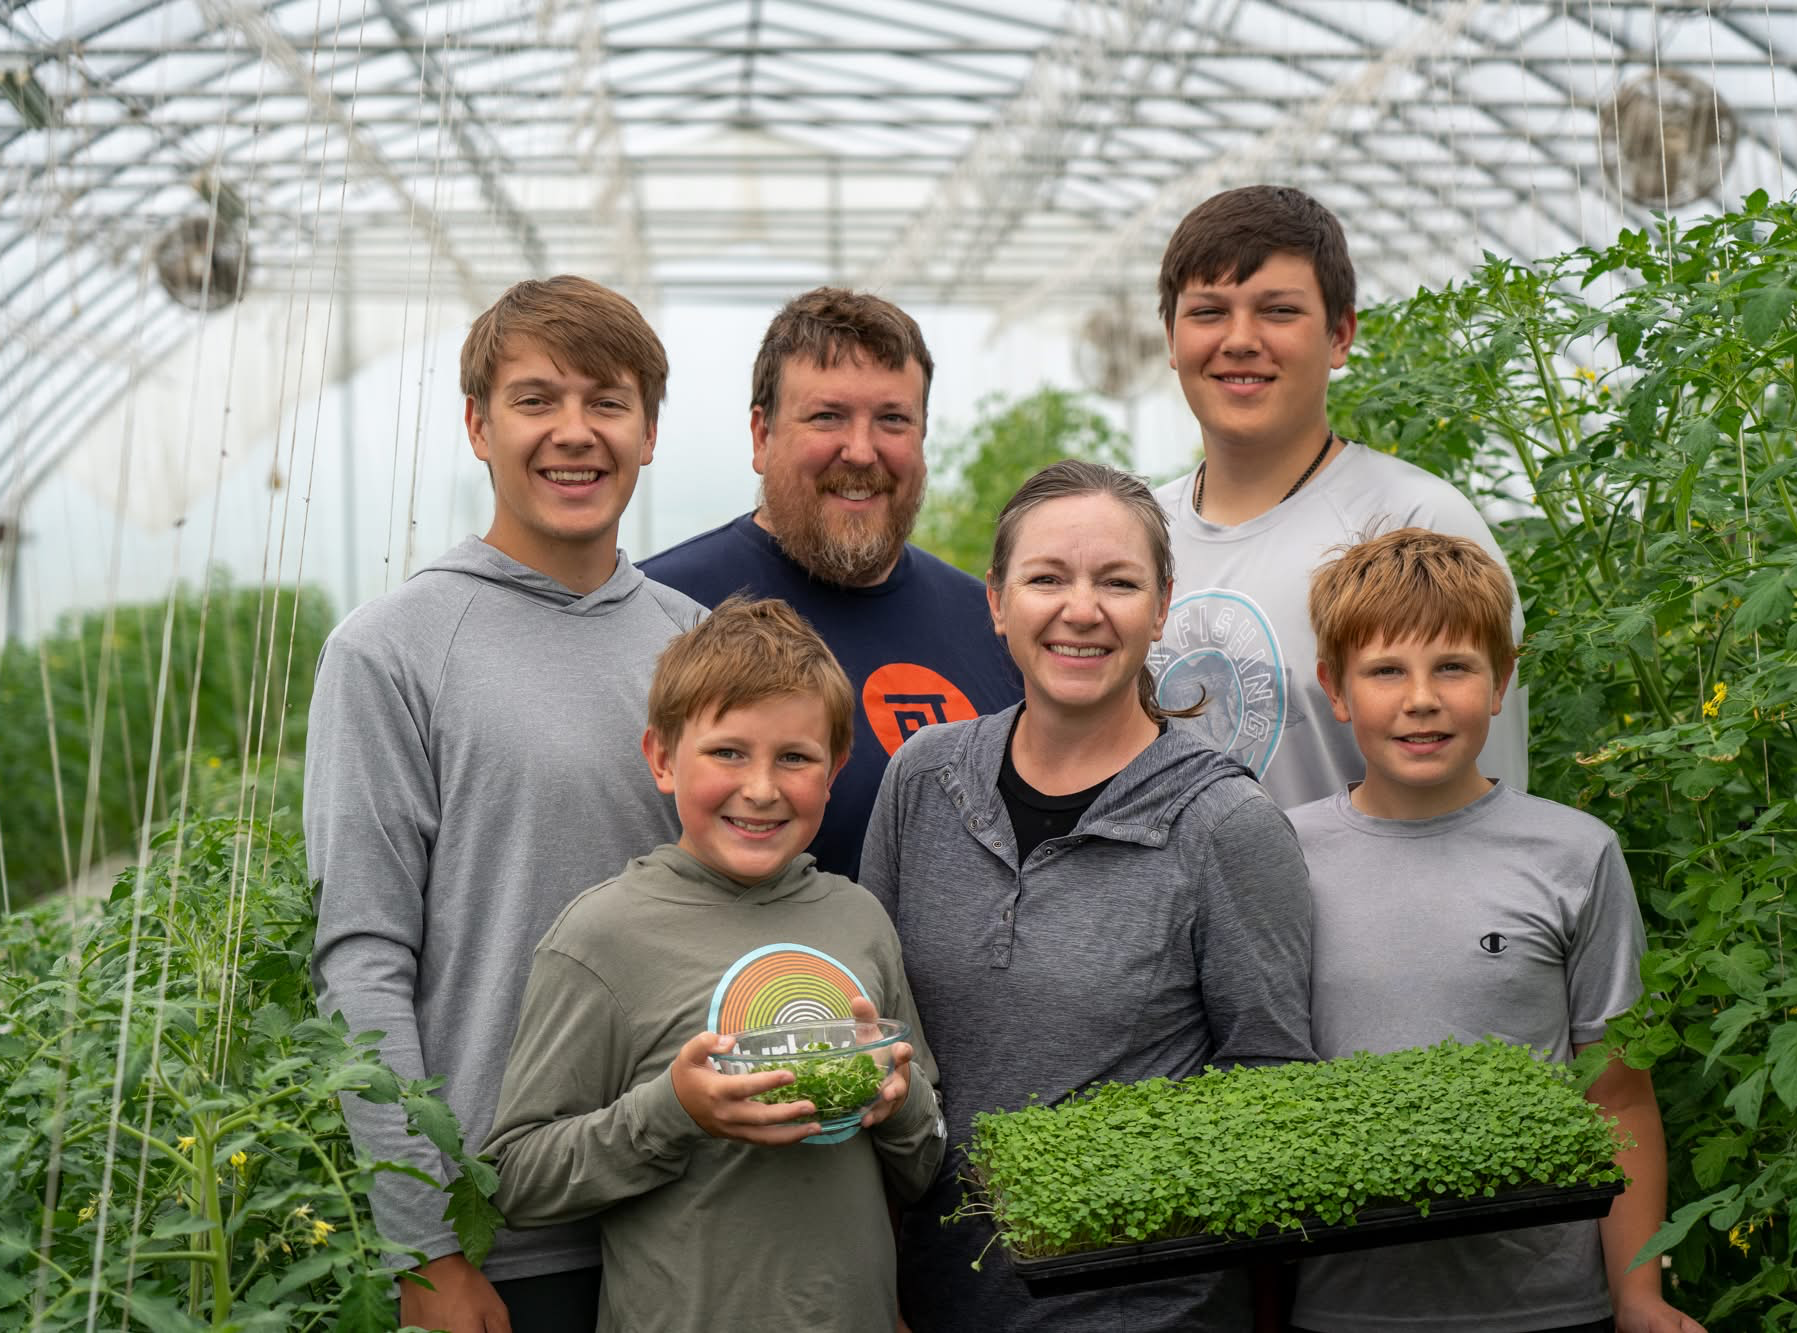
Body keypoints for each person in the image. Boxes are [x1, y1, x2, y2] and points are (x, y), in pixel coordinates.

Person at [305, 276, 703, 1332]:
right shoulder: (391, 650)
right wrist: (424, 1245)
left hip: (702, 1214)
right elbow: (362, 957)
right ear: (479, 426)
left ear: (648, 431)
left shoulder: (699, 644)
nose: (574, 432)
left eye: (607, 401)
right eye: (536, 400)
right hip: (508, 1240)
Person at [862, 459, 1316, 1332]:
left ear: (1161, 606)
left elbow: (1273, 1093)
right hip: (933, 1302)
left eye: (1118, 581)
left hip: (1148, 1314)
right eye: (1046, 578)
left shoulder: (1225, 823)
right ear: (996, 601)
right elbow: (874, 1035)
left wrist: (1080, 1188)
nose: (1081, 609)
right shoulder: (922, 780)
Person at [484, 596, 943, 1331]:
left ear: (834, 770)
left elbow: (924, 1164)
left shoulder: (860, 919)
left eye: (795, 757)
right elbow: (515, 1179)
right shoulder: (602, 936)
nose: (761, 788)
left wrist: (901, 1096)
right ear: (663, 758)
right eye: (728, 752)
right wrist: (673, 1110)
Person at [1290, 528, 1703, 1333]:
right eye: (1385, 670)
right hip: (1343, 1306)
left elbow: (1619, 1096)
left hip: (1547, 1305)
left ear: (1501, 680)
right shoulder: (1284, 855)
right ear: (1335, 687)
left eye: (1453, 665)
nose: (1421, 698)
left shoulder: (1576, 854)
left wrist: (1638, 1295)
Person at [1145, 184, 1527, 810]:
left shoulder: (1414, 525)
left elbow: (1482, 813)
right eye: (1209, 312)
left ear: (1340, 335)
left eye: (1278, 311)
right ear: (1170, 337)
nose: (1240, 339)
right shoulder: (1139, 532)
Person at [639, 286, 1020, 879]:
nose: (861, 451)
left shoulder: (994, 627)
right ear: (762, 436)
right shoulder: (663, 611)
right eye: (827, 417)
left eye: (893, 419)